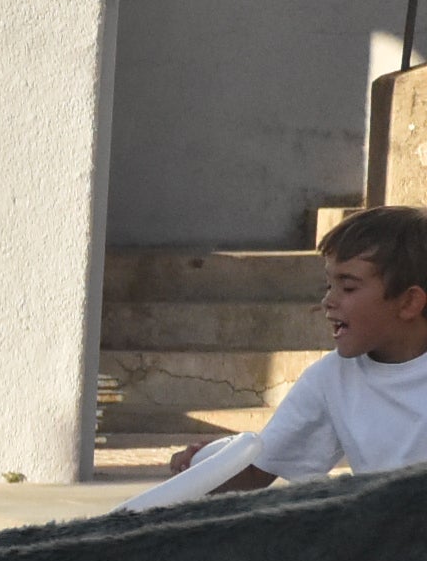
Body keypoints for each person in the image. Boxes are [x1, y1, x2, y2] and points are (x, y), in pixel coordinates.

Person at [173, 205, 427, 493]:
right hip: (386, 533)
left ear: (408, 303)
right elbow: (259, 470)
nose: (329, 301)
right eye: (328, 285)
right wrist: (206, 467)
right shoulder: (330, 378)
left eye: (348, 287)